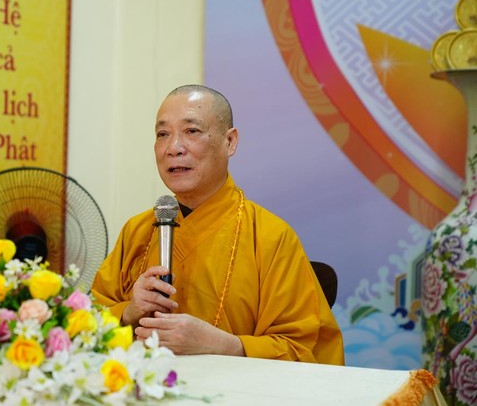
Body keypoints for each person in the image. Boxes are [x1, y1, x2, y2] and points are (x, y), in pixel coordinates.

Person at [91, 84, 345, 364]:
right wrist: (128, 313)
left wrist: (226, 345)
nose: (173, 148)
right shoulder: (137, 231)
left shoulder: (271, 237)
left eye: (192, 131)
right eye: (163, 134)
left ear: (230, 141)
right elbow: (85, 323)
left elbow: (304, 350)